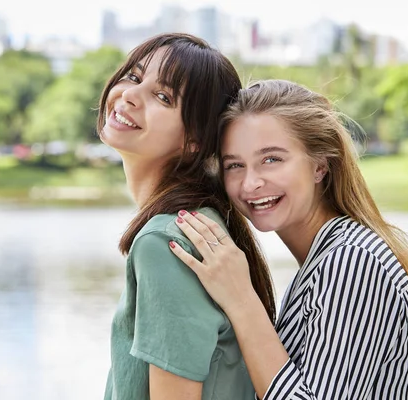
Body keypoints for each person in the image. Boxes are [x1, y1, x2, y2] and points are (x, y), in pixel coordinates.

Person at [169, 79, 408, 399]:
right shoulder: (321, 263)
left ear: (320, 165)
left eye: (271, 159)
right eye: (234, 165)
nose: (250, 184)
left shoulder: (353, 260)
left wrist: (240, 298)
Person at [98, 34, 276, 400]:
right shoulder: (200, 220)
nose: (131, 95)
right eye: (133, 77)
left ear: (195, 138)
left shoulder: (166, 242)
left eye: (163, 97)